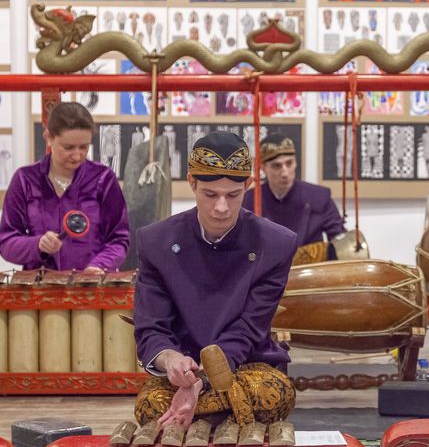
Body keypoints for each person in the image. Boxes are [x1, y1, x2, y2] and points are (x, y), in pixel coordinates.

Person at [133, 131, 297, 429]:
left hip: (245, 364)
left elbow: (248, 329)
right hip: (183, 371)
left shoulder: (276, 244)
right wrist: (171, 360)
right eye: (210, 194)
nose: (221, 207)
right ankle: (215, 417)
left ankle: (201, 415)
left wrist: (203, 382)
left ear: (247, 185)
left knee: (275, 394)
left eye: (232, 195)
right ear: (192, 183)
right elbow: (151, 327)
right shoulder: (156, 242)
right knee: (150, 406)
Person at [0, 102, 128, 272]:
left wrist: (99, 265)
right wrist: (37, 244)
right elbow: (6, 241)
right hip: (40, 291)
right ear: (49, 137)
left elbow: (119, 239)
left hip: (91, 287)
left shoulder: (103, 179)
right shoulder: (25, 179)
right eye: (68, 147)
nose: (77, 155)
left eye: (84, 147)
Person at [242, 134, 344, 249]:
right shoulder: (249, 201)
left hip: (310, 266)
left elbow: (339, 239)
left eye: (289, 163)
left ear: (295, 162)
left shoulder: (319, 197)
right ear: (264, 167)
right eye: (277, 166)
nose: (285, 173)